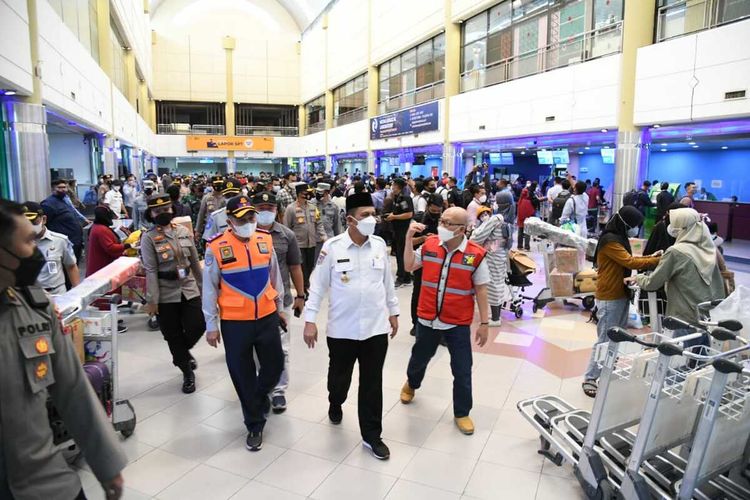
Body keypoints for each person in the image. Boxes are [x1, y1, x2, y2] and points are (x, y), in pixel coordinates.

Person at [0, 198, 127, 500]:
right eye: (27, 242)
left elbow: (73, 389)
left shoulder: (36, 308)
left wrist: (106, 464)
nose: (36, 253)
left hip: (43, 481)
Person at [303, 192, 399, 460]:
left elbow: (387, 283)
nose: (372, 219)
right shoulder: (332, 248)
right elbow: (318, 287)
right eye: (365, 215)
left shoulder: (379, 245)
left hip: (375, 330)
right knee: (339, 379)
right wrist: (310, 321)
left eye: (373, 214)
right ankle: (336, 400)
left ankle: (372, 435)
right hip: (342, 330)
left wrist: (393, 312)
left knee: (372, 383)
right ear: (350, 220)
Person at [202, 195, 286, 452]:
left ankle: (258, 398)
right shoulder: (216, 247)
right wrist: (211, 324)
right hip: (235, 322)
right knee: (242, 374)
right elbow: (209, 288)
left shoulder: (264, 239)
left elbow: (275, 277)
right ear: (229, 221)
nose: (249, 222)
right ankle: (254, 424)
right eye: (242, 219)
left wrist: (280, 309)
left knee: (275, 366)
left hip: (267, 315)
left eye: (251, 216)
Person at [400, 207, 490, 435]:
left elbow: (481, 290)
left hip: (457, 322)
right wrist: (409, 239)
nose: (442, 225)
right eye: (442, 220)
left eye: (448, 223)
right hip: (428, 317)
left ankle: (462, 412)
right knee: (420, 357)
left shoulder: (475, 254)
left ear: (461, 229)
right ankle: (412, 383)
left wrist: (485, 323)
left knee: (462, 368)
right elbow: (409, 266)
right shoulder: (430, 245)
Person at [582, 206, 660, 398]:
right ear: (625, 224)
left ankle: (607, 370)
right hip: (610, 296)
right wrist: (656, 260)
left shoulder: (618, 238)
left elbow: (630, 259)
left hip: (620, 294)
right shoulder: (610, 241)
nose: (635, 229)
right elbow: (630, 262)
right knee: (604, 340)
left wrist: (653, 257)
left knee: (616, 337)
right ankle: (591, 377)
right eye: (633, 226)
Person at [141, 194, 206, 394]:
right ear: (151, 214)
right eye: (157, 211)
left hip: (188, 287)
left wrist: (205, 288)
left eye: (166, 209)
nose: (163, 213)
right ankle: (187, 372)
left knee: (198, 325)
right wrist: (152, 301)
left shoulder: (184, 231)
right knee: (172, 334)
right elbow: (150, 270)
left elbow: (195, 262)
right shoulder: (148, 238)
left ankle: (181, 354)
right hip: (165, 292)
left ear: (172, 210)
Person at [631, 208, 725, 345]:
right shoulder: (708, 248)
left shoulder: (675, 252)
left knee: (679, 360)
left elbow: (652, 283)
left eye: (675, 225)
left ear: (683, 228)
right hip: (705, 314)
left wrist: (638, 278)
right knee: (699, 358)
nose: (671, 229)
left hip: (683, 315)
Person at [253, 191, 306, 413]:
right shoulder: (244, 235)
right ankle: (261, 386)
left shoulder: (286, 235)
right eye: (261, 207)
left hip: (280, 301)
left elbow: (295, 266)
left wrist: (301, 296)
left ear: (277, 210)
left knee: (281, 348)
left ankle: (279, 391)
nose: (266, 211)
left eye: (270, 207)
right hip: (253, 303)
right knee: (257, 348)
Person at [23, 202, 80, 295]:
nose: (30, 226)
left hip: (56, 294)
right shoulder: (17, 244)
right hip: (31, 296)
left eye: (33, 222)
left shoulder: (60, 240)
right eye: (25, 223)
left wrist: (77, 293)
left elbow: (71, 266)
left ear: (44, 219)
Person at [471, 206, 512, 326]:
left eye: (486, 213)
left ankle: (495, 318)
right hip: (499, 255)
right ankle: (496, 315)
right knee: (497, 283)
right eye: (481, 214)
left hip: (493, 256)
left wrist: (474, 233)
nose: (484, 215)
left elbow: (477, 238)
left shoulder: (495, 219)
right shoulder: (503, 219)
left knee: (494, 285)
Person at [409, 194, 443, 336]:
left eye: (438, 211)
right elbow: (408, 241)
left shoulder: (446, 220)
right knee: (418, 292)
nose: (435, 214)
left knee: (439, 294)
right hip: (421, 260)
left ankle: (437, 325)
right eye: (433, 211)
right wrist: (423, 239)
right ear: (428, 206)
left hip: (441, 261)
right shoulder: (418, 219)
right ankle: (416, 323)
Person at [284, 182, 326, 293]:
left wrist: (323, 235)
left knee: (310, 266)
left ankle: (306, 285)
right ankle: (303, 288)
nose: (308, 195)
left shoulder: (313, 207)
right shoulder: (291, 209)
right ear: (299, 194)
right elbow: (286, 227)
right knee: (301, 267)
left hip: (311, 242)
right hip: (298, 244)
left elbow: (318, 223)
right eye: (305, 193)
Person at [41, 179, 86, 261]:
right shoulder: (48, 204)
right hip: (63, 244)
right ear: (53, 189)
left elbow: (73, 212)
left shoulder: (65, 200)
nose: (63, 190)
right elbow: (45, 225)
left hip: (75, 241)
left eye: (65, 187)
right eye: (60, 187)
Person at [86, 206, 131, 277]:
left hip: (99, 267)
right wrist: (127, 246)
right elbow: (110, 248)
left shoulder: (97, 226)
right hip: (102, 268)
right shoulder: (101, 229)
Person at [385, 178, 414, 287]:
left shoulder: (405, 198)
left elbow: (409, 214)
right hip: (396, 230)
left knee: (402, 253)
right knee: (398, 253)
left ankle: (403, 277)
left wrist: (394, 216)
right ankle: (403, 274)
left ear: (397, 186)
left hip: (403, 230)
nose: (392, 187)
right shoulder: (397, 198)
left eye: (393, 185)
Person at [314, 182, 343, 258]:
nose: (318, 194)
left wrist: (338, 241)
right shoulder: (312, 204)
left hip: (329, 240)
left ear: (327, 192)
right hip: (315, 241)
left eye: (320, 192)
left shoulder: (333, 207)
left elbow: (337, 226)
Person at [195, 176, 226, 242]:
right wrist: (198, 230)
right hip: (210, 229)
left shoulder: (226, 197)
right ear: (212, 185)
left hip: (224, 229)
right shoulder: (206, 197)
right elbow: (201, 214)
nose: (218, 186)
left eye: (220, 184)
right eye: (216, 184)